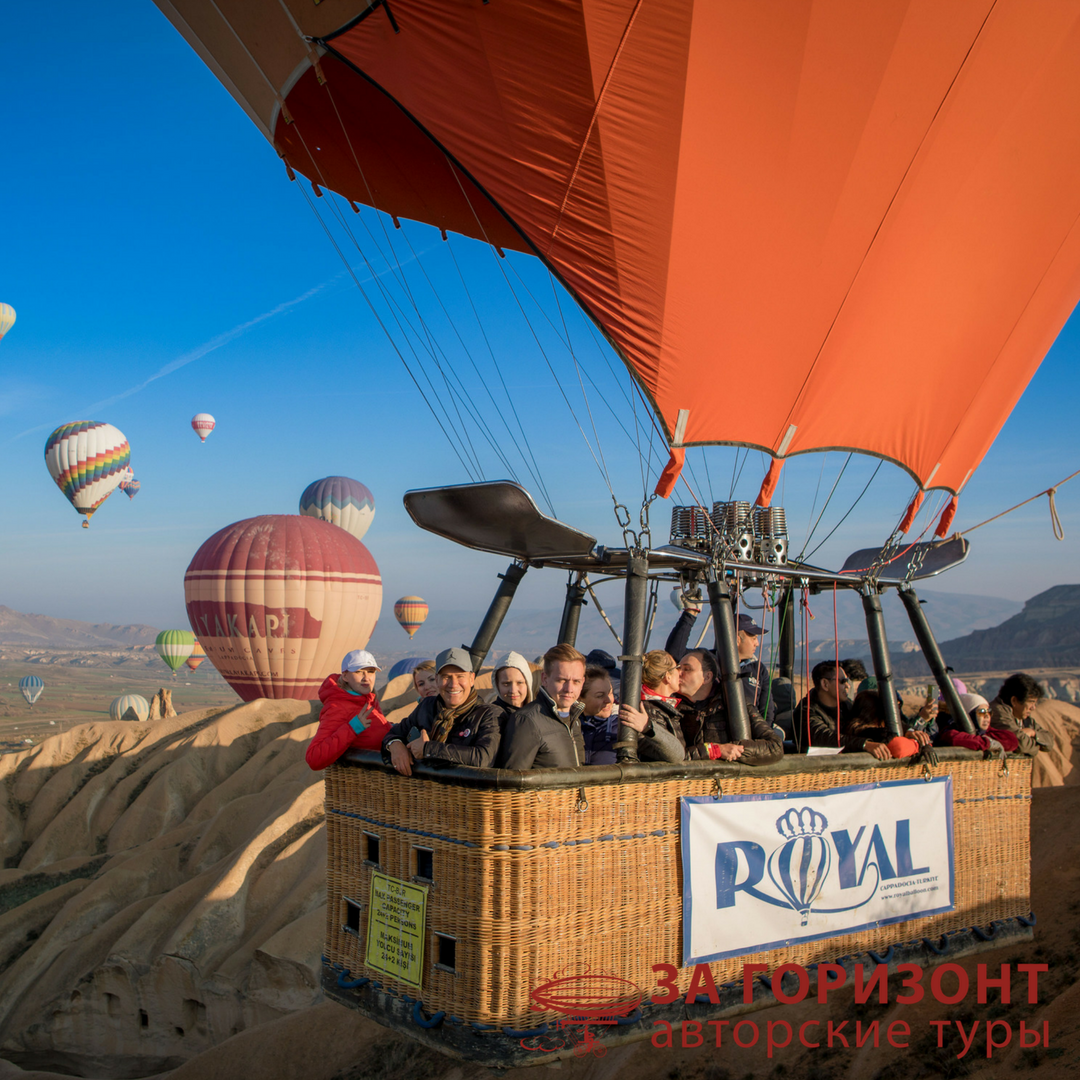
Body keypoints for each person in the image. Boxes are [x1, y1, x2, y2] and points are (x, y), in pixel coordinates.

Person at [384, 647, 502, 775]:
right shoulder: (427, 707)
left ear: (471, 678)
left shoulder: (488, 714)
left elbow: (483, 758)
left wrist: (428, 749)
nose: (453, 684)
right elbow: (394, 733)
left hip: (464, 793)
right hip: (426, 791)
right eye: (446, 677)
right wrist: (395, 745)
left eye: (460, 676)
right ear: (438, 679)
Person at [664, 605, 775, 723]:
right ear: (737, 639)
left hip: (749, 732)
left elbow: (766, 710)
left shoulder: (759, 669)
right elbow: (674, 653)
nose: (757, 643)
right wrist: (690, 615)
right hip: (714, 727)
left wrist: (761, 735)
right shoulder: (708, 660)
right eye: (753, 638)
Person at [673, 648, 782, 764]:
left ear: (707, 677)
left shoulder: (734, 703)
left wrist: (734, 750)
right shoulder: (672, 708)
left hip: (727, 780)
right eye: (678, 668)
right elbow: (673, 756)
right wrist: (714, 750)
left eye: (687, 669)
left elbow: (774, 747)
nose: (678, 673)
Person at [497, 644, 588, 769]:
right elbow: (513, 781)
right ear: (544, 679)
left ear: (582, 683)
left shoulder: (574, 720)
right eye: (561, 680)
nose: (569, 689)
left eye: (576, 681)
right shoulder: (527, 721)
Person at [306, 650, 392, 770]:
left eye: (371, 672)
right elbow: (314, 758)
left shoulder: (368, 700)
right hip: (363, 783)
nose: (366, 678)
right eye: (359, 672)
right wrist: (353, 728)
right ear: (345, 676)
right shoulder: (339, 707)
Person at [615, 650, 687, 763]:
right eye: (677, 667)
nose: (681, 672)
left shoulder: (663, 706)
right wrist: (648, 726)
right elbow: (676, 756)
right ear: (668, 676)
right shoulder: (649, 711)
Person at [841, 689, 929, 759]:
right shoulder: (873, 733)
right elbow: (899, 747)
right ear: (877, 716)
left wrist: (908, 731)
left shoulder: (848, 732)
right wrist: (918, 745)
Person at [987, 673, 1052, 757]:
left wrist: (1033, 733)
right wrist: (1037, 746)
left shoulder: (1022, 717)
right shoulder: (997, 713)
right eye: (1031, 702)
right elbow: (1021, 745)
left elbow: (1049, 742)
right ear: (1014, 701)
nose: (1033, 708)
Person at [792, 661, 852, 751]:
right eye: (842, 681)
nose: (848, 686)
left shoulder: (849, 706)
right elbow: (824, 737)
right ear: (825, 684)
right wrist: (863, 744)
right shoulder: (806, 712)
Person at [938, 693, 1020, 754]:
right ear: (969, 715)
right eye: (982, 712)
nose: (987, 716)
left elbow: (1012, 740)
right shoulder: (949, 732)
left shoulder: (985, 733)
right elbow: (954, 739)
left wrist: (984, 740)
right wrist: (988, 743)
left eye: (989, 712)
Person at [579, 665, 619, 765]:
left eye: (610, 693)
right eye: (600, 696)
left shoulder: (621, 727)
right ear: (580, 698)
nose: (608, 700)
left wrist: (647, 728)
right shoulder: (569, 726)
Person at [490, 651, 533, 733]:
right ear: (497, 685)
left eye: (519, 683)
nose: (513, 690)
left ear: (527, 683)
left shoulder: (538, 715)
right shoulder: (491, 718)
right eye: (506, 684)